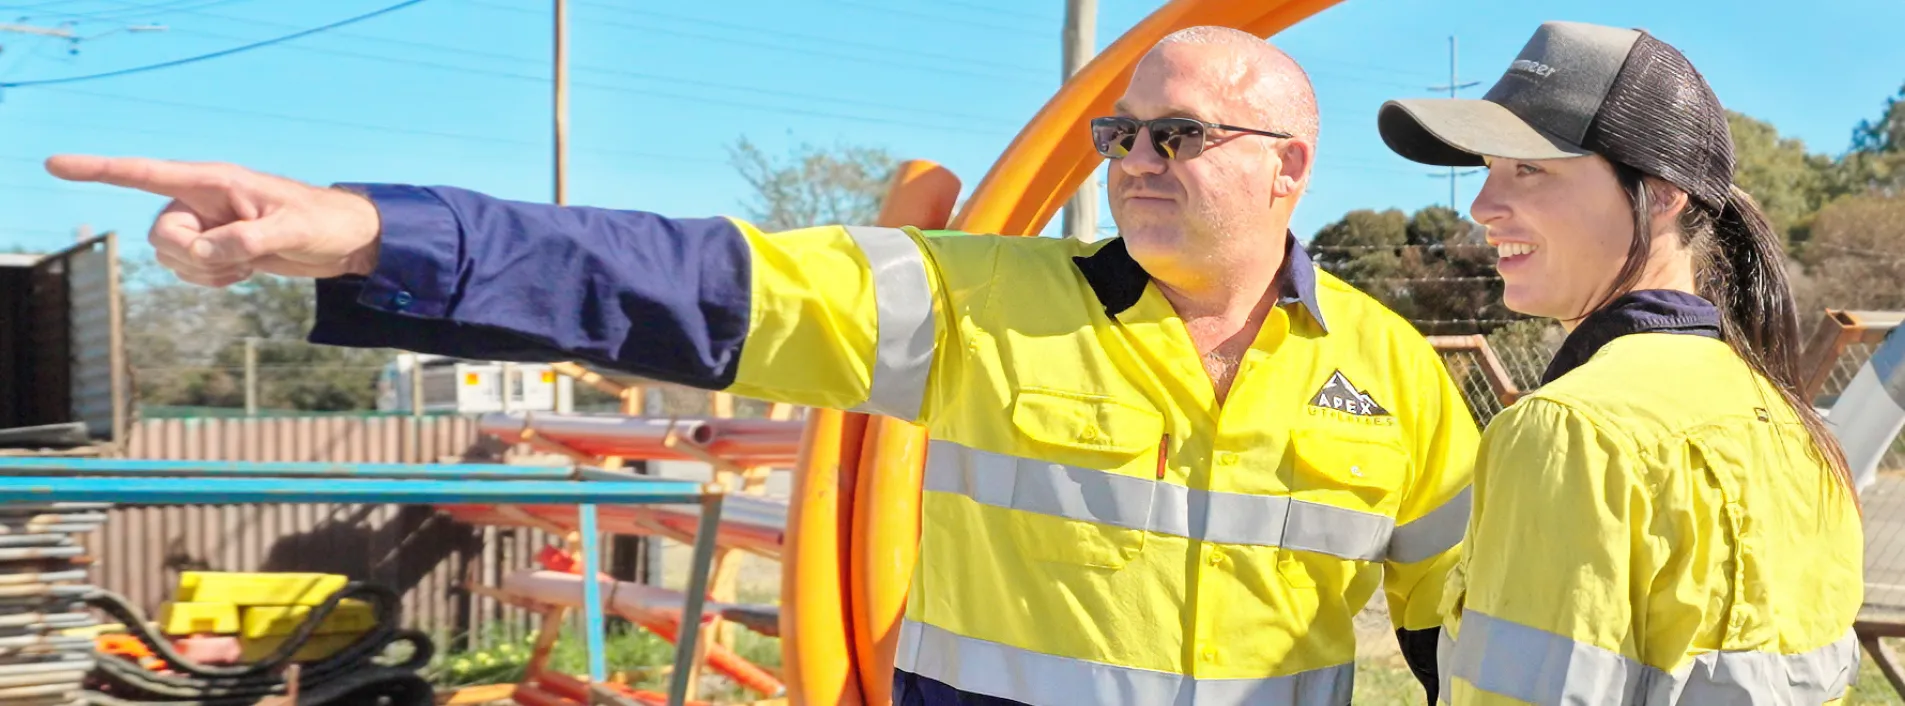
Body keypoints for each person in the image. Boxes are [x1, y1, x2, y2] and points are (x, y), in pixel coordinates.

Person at [50, 26, 1478, 705]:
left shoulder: (1396, 375)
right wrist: (367, 233)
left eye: (1181, 136)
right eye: (1121, 133)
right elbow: (671, 277)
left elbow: (1449, 629)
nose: (1136, 161)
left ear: (1290, 167)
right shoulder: (965, 301)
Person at [1376, 20, 1864, 703]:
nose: (1483, 207)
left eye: (1528, 168)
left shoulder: (1567, 429)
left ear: (1662, 193)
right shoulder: (1796, 426)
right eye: (1486, 171)